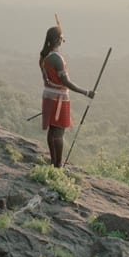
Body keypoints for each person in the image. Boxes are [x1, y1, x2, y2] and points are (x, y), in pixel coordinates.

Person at [39, 24, 94, 168]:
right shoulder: (56, 58)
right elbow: (66, 82)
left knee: (52, 130)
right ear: (58, 39)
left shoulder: (44, 56)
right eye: (62, 38)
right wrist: (86, 92)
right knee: (59, 133)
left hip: (49, 96)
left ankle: (53, 162)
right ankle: (58, 166)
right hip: (59, 99)